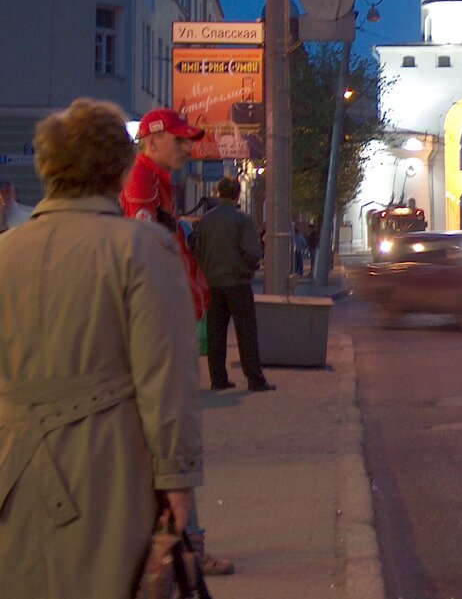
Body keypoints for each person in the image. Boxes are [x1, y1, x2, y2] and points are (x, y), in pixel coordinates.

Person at [0, 98, 202, 598]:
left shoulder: (5, 254)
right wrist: (177, 477)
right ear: (120, 168)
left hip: (10, 470)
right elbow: (166, 378)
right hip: (105, 467)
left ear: (48, 167)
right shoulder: (140, 249)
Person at [121, 106, 235, 577]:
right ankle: (183, 547)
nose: (189, 149)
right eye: (181, 141)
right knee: (172, 446)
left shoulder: (158, 183)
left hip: (169, 324)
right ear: (153, 141)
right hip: (159, 332)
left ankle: (179, 543)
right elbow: (149, 255)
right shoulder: (141, 183)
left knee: (171, 448)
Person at [192, 177, 274, 392]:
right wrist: (248, 267)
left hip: (213, 283)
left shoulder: (206, 220)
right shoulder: (242, 219)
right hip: (238, 282)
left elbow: (198, 251)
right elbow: (253, 252)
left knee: (216, 332)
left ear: (219, 194)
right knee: (246, 331)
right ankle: (254, 379)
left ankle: (218, 379)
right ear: (237, 195)